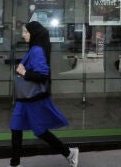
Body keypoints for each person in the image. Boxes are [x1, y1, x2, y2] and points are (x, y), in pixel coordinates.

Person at [9, 21, 79, 167]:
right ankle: (15, 164)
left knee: (39, 130)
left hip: (32, 97)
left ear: (34, 34)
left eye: (25, 32)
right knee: (16, 127)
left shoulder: (37, 50)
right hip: (25, 98)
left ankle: (69, 152)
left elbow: (42, 75)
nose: (23, 35)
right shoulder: (35, 48)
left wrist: (24, 72)